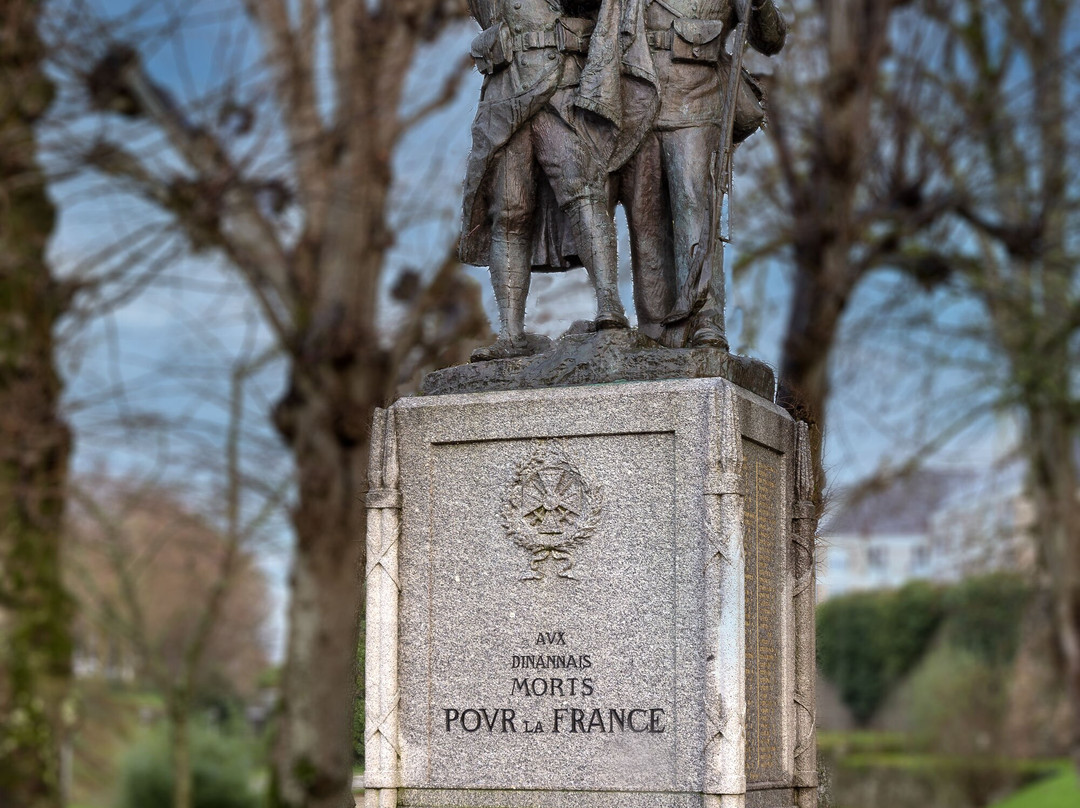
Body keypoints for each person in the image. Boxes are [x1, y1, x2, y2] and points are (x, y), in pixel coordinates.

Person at [461, 0, 629, 362]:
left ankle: (609, 309)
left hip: (560, 82)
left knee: (582, 194)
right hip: (505, 91)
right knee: (508, 212)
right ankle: (511, 335)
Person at [619, 0, 787, 348]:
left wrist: (758, 6)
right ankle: (656, 329)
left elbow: (770, 40)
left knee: (694, 201)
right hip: (636, 92)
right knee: (643, 215)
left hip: (697, 93)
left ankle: (705, 317)